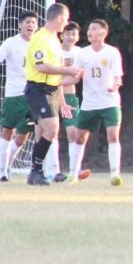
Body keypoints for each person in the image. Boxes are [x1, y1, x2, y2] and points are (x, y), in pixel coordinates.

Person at [22, 3, 83, 186]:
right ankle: (36, 171)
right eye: (65, 19)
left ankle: (36, 172)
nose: (66, 23)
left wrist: (62, 101)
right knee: (52, 129)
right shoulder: (41, 39)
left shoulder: (54, 40)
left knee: (47, 131)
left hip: (51, 90)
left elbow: (55, 76)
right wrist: (68, 70)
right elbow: (41, 67)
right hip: (38, 89)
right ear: (58, 18)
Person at [0, 12, 37, 182]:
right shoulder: (10, 43)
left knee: (22, 138)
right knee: (7, 131)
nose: (31, 26)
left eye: (34, 23)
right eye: (28, 22)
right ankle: (2, 173)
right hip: (13, 96)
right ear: (20, 25)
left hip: (32, 97)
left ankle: (8, 164)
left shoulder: (39, 44)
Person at [71, 19, 124, 185]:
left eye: (94, 29)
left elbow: (118, 77)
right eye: (89, 28)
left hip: (110, 102)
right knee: (80, 138)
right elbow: (74, 76)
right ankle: (73, 173)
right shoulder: (82, 53)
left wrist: (114, 86)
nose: (90, 31)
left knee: (113, 136)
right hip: (89, 103)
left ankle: (115, 174)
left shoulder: (112, 52)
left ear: (103, 33)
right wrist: (69, 78)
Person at [48, 21, 84, 182]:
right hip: (51, 96)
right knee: (51, 132)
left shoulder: (80, 53)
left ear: (77, 37)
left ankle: (74, 169)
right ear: (61, 35)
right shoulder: (55, 50)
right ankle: (52, 169)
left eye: (73, 34)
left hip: (70, 98)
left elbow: (76, 78)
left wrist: (60, 79)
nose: (70, 36)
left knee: (73, 132)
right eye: (67, 33)